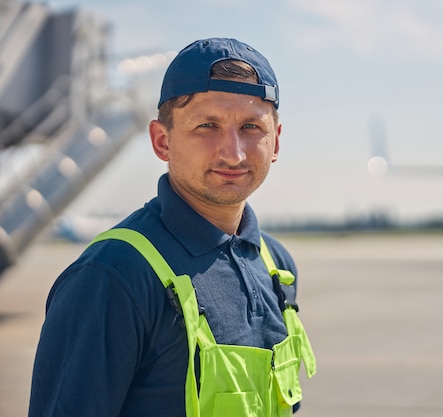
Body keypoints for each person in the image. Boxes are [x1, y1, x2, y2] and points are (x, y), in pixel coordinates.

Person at [28, 38, 316, 417]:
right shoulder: (113, 276)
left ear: (275, 141)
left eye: (250, 127)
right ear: (162, 141)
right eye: (207, 126)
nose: (234, 152)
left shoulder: (275, 264)